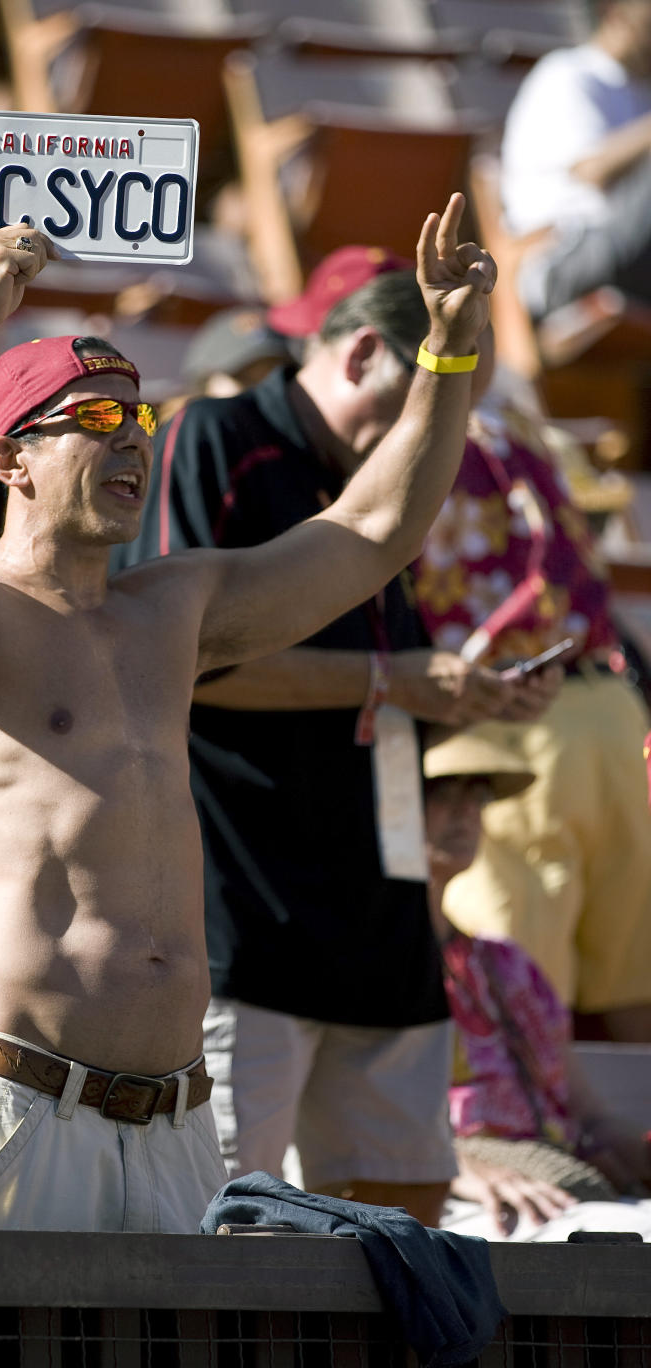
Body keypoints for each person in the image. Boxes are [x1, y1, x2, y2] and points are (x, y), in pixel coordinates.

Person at [0, 196, 497, 1233]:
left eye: (140, 419)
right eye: (97, 419)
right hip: (20, 1105)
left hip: (177, 1124)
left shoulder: (174, 607)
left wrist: (448, 363)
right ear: (9, 460)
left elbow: (374, 531)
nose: (134, 442)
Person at [116, 259, 556, 1228]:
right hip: (251, 921)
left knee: (402, 1241)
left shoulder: (376, 490)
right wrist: (393, 682)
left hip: (383, 927)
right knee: (226, 1238)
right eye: (427, 399)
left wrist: (469, 696)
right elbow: (174, 661)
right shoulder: (217, 435)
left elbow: (378, 686)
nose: (434, 435)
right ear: (362, 351)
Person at [414, 333, 651, 1041]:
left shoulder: (482, 428)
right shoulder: (491, 428)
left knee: (576, 980)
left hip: (552, 707)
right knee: (565, 982)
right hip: (546, 708)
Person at [422, 730, 651, 1242]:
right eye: (441, 792)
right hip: (457, 1203)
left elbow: (587, 1112)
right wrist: (457, 1165)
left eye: (477, 795)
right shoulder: (368, 966)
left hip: (557, 1184)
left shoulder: (507, 964)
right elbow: (351, 1119)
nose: (464, 812)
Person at [500, 0, 651, 317]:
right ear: (614, 11)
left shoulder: (642, 92)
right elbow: (592, 171)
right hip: (561, 260)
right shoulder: (568, 73)